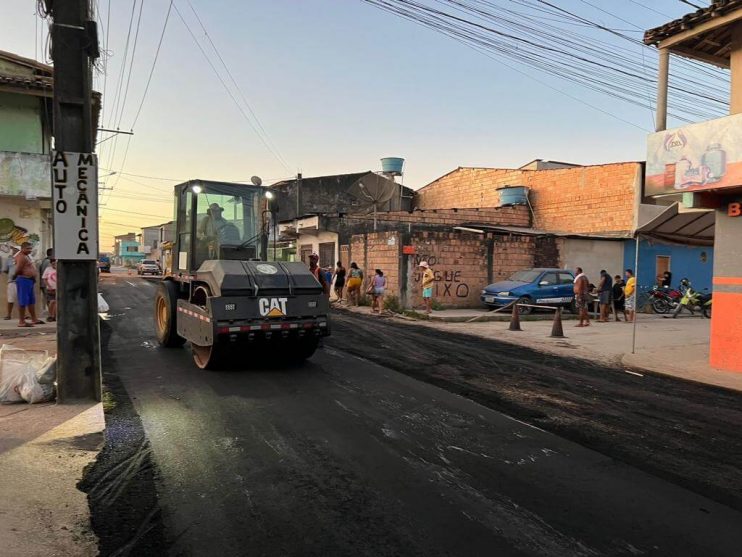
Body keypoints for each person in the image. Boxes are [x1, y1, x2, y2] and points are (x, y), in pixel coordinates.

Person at [14, 242, 43, 327]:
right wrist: (15, 277)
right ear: (22, 248)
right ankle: (21, 321)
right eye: (28, 248)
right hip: (23, 280)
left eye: (30, 248)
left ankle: (34, 319)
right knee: (23, 301)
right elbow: (18, 269)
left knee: (31, 301)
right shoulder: (21, 256)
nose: (30, 250)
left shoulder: (27, 256)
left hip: (29, 281)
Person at [3, 246, 19, 320]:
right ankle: (8, 315)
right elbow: (5, 270)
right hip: (11, 282)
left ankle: (24, 315)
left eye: (16, 249)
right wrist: (11, 274)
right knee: (10, 299)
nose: (14, 251)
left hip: (21, 281)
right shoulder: (9, 259)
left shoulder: (23, 258)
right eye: (13, 250)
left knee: (22, 299)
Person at [39, 248, 53, 312]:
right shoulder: (48, 262)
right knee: (51, 299)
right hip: (47, 284)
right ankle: (51, 314)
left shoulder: (44, 261)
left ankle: (51, 313)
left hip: (44, 283)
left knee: (49, 299)